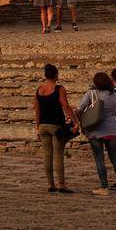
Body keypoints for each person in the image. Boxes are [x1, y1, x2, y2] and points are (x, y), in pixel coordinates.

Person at [78, 70, 116, 194]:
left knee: (99, 159)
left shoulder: (91, 94)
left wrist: (82, 121)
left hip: (95, 131)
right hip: (111, 129)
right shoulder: (115, 95)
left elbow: (79, 109)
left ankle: (104, 187)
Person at [32, 62, 79, 193]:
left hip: (43, 126)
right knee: (58, 155)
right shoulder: (59, 89)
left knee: (47, 155)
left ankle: (50, 184)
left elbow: (37, 111)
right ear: (56, 75)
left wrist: (37, 127)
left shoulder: (39, 90)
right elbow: (65, 106)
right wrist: (75, 122)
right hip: (56, 125)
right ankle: (61, 184)